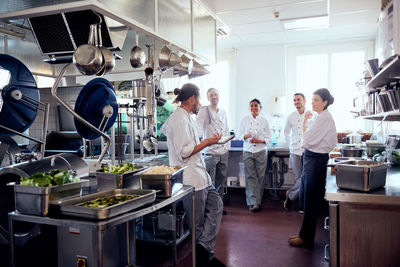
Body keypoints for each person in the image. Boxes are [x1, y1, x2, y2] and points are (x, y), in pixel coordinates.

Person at [161, 83, 225, 267]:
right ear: (192, 99)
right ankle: (203, 259)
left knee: (217, 205)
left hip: (201, 176)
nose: (200, 103)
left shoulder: (185, 117)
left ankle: (204, 249)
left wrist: (207, 142)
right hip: (190, 180)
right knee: (196, 224)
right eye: (199, 98)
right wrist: (207, 142)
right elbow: (183, 151)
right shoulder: (179, 119)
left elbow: (165, 130)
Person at [289, 88, 337, 247]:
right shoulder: (321, 117)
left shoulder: (324, 118)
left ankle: (306, 237)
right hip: (313, 159)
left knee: (311, 198)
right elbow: (308, 138)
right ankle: (304, 234)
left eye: (316, 100)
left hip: (315, 160)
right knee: (308, 196)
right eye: (312, 99)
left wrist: (304, 124)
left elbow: (307, 139)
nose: (312, 102)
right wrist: (306, 125)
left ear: (324, 102)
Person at [197, 88, 230, 215]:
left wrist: (227, 147)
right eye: (211, 95)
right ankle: (208, 207)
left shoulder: (223, 112)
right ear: (208, 98)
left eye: (216, 94)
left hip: (223, 151)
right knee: (209, 181)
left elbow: (226, 130)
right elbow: (198, 128)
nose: (214, 97)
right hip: (210, 151)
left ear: (219, 96)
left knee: (221, 180)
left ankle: (218, 206)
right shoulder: (204, 111)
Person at [239, 98, 272, 212]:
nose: (254, 108)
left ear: (260, 108)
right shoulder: (244, 119)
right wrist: (247, 135)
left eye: (256, 106)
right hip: (248, 150)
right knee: (250, 176)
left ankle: (256, 201)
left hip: (261, 151)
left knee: (260, 177)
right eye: (252, 106)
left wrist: (259, 140)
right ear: (249, 108)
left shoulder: (265, 120)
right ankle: (254, 202)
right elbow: (239, 135)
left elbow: (269, 138)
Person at [283, 93, 307, 210]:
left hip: (307, 150)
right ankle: (301, 204)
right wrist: (291, 144)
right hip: (295, 151)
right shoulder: (290, 116)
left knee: (306, 178)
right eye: (294, 100)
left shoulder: (311, 115)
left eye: (298, 100)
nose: (296, 102)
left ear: (304, 100)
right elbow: (286, 133)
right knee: (299, 178)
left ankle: (291, 195)